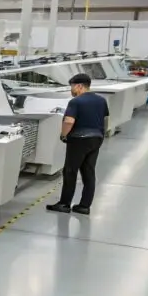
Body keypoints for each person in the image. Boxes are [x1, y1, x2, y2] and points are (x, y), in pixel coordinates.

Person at [46, 73, 110, 215]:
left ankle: (64, 204)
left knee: (70, 171)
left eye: (72, 87)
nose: (71, 90)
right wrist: (101, 134)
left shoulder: (76, 102)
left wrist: (63, 135)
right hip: (96, 138)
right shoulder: (101, 100)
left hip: (79, 139)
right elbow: (105, 119)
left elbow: (69, 121)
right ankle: (84, 206)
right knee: (89, 171)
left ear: (80, 86)